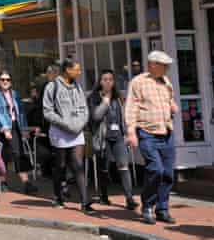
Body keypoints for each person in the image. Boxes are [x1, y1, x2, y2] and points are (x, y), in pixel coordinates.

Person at [125, 51, 179, 225]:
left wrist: (172, 104)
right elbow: (131, 108)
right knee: (156, 169)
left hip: (166, 132)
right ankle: (147, 205)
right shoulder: (138, 82)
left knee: (168, 173)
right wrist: (131, 132)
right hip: (147, 133)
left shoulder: (166, 81)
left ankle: (162, 209)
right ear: (153, 65)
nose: (167, 68)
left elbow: (169, 99)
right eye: (164, 65)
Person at [43, 60, 92, 213]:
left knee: (78, 164)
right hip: (60, 131)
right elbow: (47, 111)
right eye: (76, 70)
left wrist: (81, 123)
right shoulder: (52, 87)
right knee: (61, 165)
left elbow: (84, 108)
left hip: (77, 131)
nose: (79, 72)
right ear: (67, 70)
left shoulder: (78, 87)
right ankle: (58, 196)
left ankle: (85, 202)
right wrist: (65, 123)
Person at [89, 70, 136, 210]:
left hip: (118, 137)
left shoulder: (118, 97)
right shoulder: (94, 98)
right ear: (100, 81)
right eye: (105, 79)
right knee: (104, 169)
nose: (108, 82)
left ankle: (129, 198)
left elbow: (124, 117)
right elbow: (96, 117)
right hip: (103, 138)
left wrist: (127, 133)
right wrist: (104, 102)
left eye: (110, 79)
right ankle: (104, 196)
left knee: (123, 165)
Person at [0, 70, 39, 195]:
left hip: (15, 126)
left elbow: (20, 113)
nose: (5, 82)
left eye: (8, 79)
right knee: (4, 155)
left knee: (19, 153)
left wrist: (24, 129)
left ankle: (26, 183)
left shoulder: (14, 94)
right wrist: (5, 129)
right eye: (3, 79)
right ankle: (4, 182)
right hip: (2, 128)